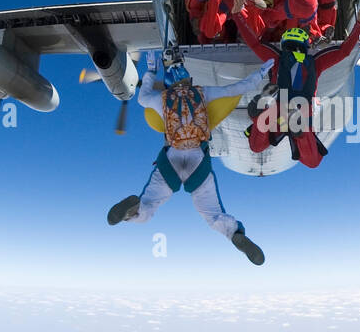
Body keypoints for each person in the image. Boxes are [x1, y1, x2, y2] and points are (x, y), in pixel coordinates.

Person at [107, 52, 271, 263]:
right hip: (198, 161)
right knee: (212, 214)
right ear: (189, 80)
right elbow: (235, 89)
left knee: (150, 202)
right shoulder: (203, 93)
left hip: (171, 161)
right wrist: (260, 73)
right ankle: (234, 234)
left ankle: (134, 212)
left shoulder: (160, 99)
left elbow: (141, 97)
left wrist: (150, 72)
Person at [232, 1, 360, 168]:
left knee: (256, 147)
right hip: (301, 111)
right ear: (306, 45)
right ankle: (299, 130)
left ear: (285, 42)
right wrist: (359, 24)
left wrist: (237, 15)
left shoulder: (277, 58)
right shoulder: (315, 62)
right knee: (312, 161)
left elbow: (254, 43)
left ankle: (260, 116)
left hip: (278, 109)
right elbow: (344, 51)